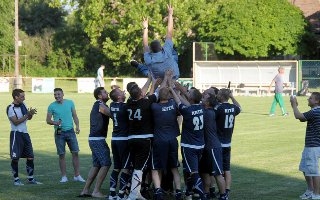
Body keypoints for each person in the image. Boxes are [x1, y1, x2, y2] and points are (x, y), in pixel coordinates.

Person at [169, 81, 207, 200]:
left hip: (189, 146)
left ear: (191, 98)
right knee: (189, 169)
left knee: (193, 172)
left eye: (189, 92)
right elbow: (185, 102)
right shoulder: (201, 107)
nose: (188, 92)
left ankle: (202, 195)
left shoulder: (187, 111)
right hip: (200, 145)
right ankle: (189, 192)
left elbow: (179, 103)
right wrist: (180, 92)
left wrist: (171, 89)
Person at [126, 74, 158, 200]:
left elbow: (141, 93)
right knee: (139, 168)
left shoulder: (128, 103)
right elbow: (156, 93)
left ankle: (136, 192)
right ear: (141, 94)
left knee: (135, 167)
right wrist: (154, 82)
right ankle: (133, 195)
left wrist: (149, 80)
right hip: (144, 139)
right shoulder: (146, 102)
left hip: (131, 139)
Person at [150, 73, 182, 200]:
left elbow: (153, 95)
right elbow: (178, 100)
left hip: (159, 141)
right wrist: (169, 81)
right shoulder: (174, 105)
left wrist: (163, 81)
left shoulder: (154, 107)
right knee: (174, 168)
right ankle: (178, 191)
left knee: (155, 167)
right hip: (172, 140)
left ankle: (158, 191)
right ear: (169, 96)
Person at [46, 88, 85, 183]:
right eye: (55, 94)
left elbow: (75, 116)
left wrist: (77, 126)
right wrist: (55, 122)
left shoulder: (70, 103)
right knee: (61, 154)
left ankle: (77, 175)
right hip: (59, 132)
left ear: (63, 94)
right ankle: (64, 176)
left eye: (58, 94)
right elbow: (48, 120)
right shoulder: (51, 106)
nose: (57, 96)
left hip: (70, 131)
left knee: (75, 152)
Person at [79, 87, 111, 198]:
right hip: (98, 139)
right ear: (99, 96)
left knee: (97, 165)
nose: (107, 93)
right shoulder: (99, 104)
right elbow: (111, 113)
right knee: (106, 163)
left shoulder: (99, 104)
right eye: (105, 92)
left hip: (95, 138)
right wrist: (119, 105)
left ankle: (85, 190)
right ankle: (96, 191)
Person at [6, 89, 42, 186]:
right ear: (16, 97)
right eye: (22, 96)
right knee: (15, 158)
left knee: (30, 157)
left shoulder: (23, 105)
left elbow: (28, 118)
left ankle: (31, 179)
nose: (24, 98)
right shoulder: (10, 108)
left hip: (25, 133)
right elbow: (16, 122)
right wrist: (27, 115)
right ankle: (16, 180)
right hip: (16, 134)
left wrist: (31, 114)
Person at [290, 92, 320, 200]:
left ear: (317, 101)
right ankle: (310, 190)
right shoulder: (315, 111)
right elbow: (302, 119)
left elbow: (298, 116)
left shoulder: (316, 111)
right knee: (305, 168)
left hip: (313, 146)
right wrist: (296, 106)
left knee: (313, 170)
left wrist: (293, 105)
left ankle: (316, 194)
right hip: (310, 146)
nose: (308, 99)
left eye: (311, 98)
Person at [199, 91, 227, 200]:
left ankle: (223, 195)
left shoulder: (208, 113)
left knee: (217, 174)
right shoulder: (206, 110)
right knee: (205, 173)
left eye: (205, 96)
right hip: (206, 147)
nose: (203, 96)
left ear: (209, 102)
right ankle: (206, 194)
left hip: (213, 147)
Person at [215, 88, 241, 197]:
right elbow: (239, 107)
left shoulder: (219, 108)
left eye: (218, 94)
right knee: (227, 168)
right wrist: (232, 97)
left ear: (221, 97)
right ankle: (227, 190)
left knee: (218, 170)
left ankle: (222, 191)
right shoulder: (233, 108)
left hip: (218, 143)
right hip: (228, 142)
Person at [142, 4, 180, 80]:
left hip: (159, 82)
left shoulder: (149, 59)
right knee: (174, 55)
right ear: (160, 47)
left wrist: (145, 27)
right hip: (174, 78)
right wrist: (170, 14)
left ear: (151, 50)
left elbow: (145, 44)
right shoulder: (167, 52)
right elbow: (169, 32)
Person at [108, 88, 132, 200]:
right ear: (119, 97)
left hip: (114, 139)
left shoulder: (112, 105)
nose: (123, 92)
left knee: (116, 167)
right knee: (126, 168)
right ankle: (121, 195)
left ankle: (112, 193)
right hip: (123, 140)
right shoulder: (125, 107)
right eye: (121, 92)